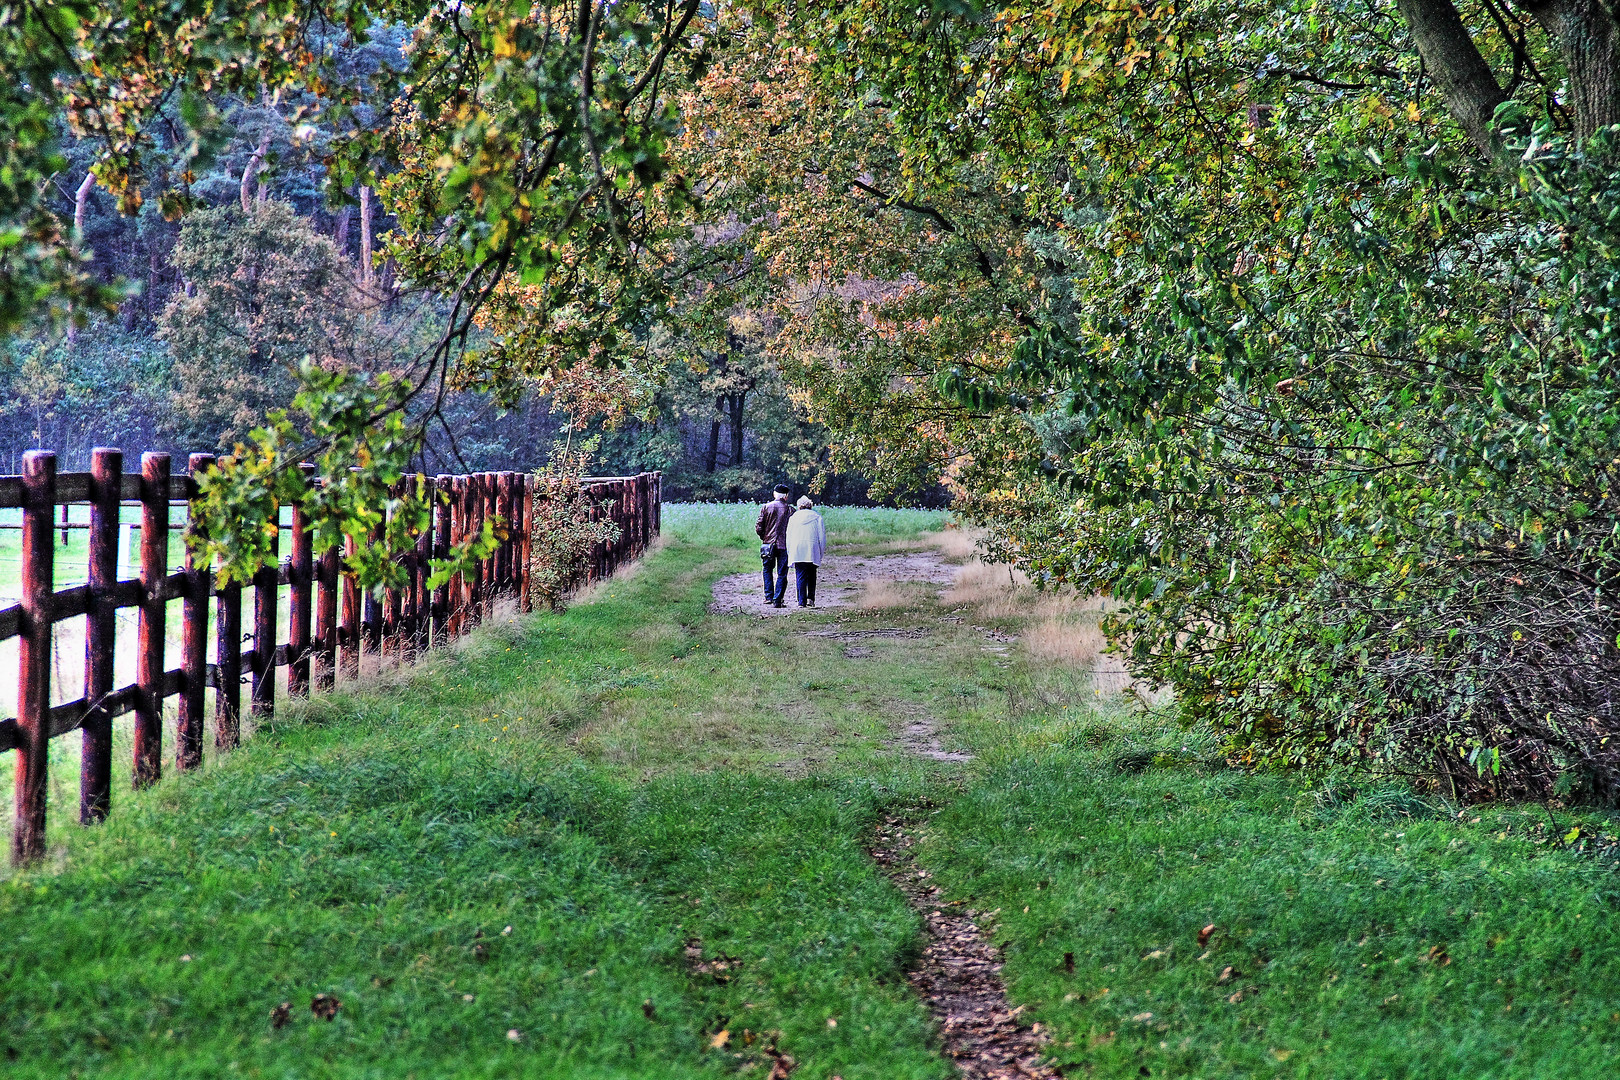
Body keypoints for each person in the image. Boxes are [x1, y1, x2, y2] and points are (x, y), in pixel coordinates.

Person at [754, 484, 794, 607]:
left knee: (767, 570)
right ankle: (778, 599)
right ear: (786, 496)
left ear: (774, 494)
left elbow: (759, 527)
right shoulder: (791, 510)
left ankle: (768, 597)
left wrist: (765, 538)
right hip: (784, 545)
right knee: (782, 573)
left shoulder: (766, 507)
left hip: (768, 544)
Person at [785, 495, 826, 608]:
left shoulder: (793, 518)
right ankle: (811, 599)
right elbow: (821, 538)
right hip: (812, 548)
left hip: (797, 548)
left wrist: (789, 551)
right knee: (812, 574)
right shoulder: (817, 517)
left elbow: (788, 536)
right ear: (810, 506)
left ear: (799, 506)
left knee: (800, 575)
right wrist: (821, 552)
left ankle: (801, 601)